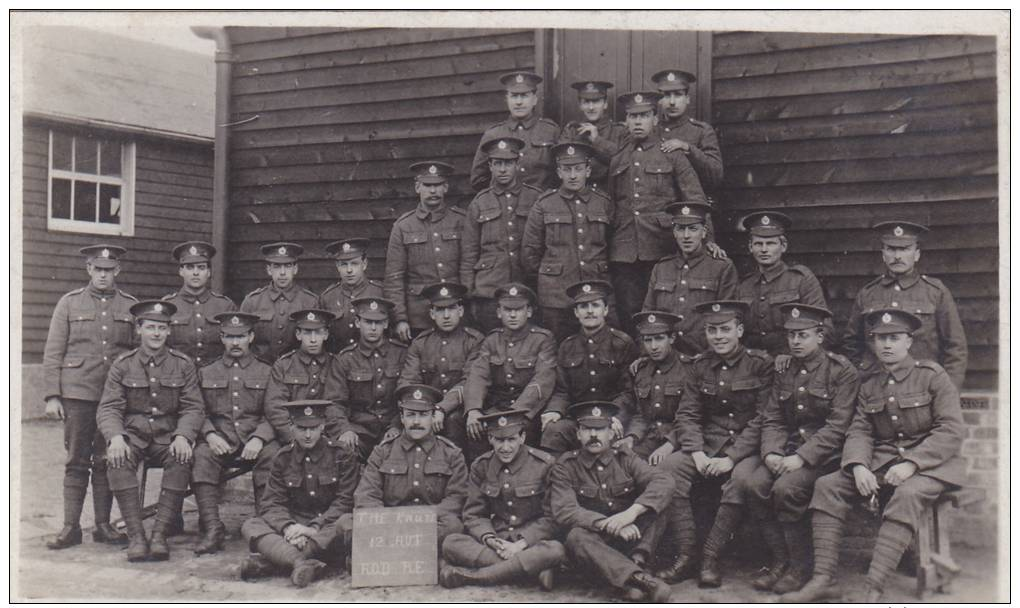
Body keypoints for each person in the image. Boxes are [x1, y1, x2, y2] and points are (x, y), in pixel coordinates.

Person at [783, 309, 965, 603]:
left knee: (907, 494)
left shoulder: (931, 375)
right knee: (827, 486)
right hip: (882, 462)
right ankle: (823, 580)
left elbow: (951, 430)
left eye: (894, 338)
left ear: (908, 341)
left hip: (932, 466)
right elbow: (860, 430)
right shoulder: (868, 383)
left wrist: (911, 463)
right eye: (880, 339)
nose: (887, 345)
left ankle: (873, 588)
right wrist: (857, 465)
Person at [736, 304, 857, 594]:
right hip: (787, 450)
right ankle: (781, 561)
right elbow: (774, 416)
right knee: (754, 484)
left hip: (825, 456)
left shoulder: (841, 371)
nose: (796, 342)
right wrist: (772, 453)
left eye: (803, 335)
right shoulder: (785, 368)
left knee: (786, 489)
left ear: (820, 335)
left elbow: (838, 426)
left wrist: (801, 458)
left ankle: (800, 566)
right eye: (791, 336)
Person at [657, 301, 773, 587]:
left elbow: (763, 418)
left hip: (747, 447)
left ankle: (710, 557)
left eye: (725, 329)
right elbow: (688, 413)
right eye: (712, 330)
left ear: (740, 330)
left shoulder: (760, 364)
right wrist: (696, 452)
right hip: (707, 445)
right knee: (670, 469)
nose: (719, 336)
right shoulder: (699, 365)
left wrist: (731, 457)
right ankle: (686, 555)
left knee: (741, 479)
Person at [42, 244, 136, 550]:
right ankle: (70, 527)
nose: (103, 276)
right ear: (89, 270)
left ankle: (103, 525)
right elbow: (54, 352)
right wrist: (52, 395)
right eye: (98, 270)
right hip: (78, 393)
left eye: (109, 271)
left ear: (117, 271)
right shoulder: (69, 303)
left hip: (113, 398)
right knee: (77, 459)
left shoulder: (130, 306)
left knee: (107, 459)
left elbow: (134, 355)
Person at [96, 300, 205, 562]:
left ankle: (159, 535)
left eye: (162, 328)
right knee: (117, 459)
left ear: (169, 331)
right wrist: (116, 437)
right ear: (139, 330)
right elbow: (108, 407)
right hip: (133, 436)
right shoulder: (123, 364)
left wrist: (183, 435)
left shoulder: (183, 364)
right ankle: (136, 535)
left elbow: (193, 407)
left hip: (167, 437)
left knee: (182, 458)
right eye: (151, 327)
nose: (156, 333)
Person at [607, 90, 712, 335]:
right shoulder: (618, 159)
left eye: (644, 116)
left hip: (662, 248)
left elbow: (695, 199)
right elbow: (612, 205)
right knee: (629, 315)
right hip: (624, 252)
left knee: (665, 315)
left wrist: (707, 241)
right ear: (626, 121)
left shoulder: (671, 154)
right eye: (632, 117)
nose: (637, 122)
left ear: (655, 119)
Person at [549, 401, 675, 603]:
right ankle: (641, 579)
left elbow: (663, 481)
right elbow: (565, 510)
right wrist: (609, 526)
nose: (593, 435)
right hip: (597, 542)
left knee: (661, 502)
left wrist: (630, 514)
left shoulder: (625, 457)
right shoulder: (566, 465)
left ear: (611, 433)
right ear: (578, 434)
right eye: (587, 429)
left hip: (631, 536)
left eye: (600, 429)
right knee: (575, 536)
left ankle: (636, 567)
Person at [440, 409, 565, 590]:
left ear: (522, 437)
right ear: (490, 438)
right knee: (451, 543)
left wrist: (521, 545)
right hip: (497, 542)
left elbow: (553, 517)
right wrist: (490, 539)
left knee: (555, 550)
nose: (505, 447)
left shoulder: (544, 464)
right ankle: (532, 571)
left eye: (511, 439)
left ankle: (472, 577)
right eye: (499, 440)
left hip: (531, 543)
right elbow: (474, 515)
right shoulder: (481, 466)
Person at [238, 400, 359, 588]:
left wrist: (313, 529)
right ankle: (300, 562)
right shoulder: (282, 457)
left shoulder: (342, 455)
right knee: (251, 525)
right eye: (302, 428)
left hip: (328, 526)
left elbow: (345, 501)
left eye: (313, 428)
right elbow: (271, 503)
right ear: (292, 428)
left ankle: (272, 562)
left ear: (323, 426)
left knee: (348, 523)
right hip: (295, 526)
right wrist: (288, 528)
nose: (308, 435)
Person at [840, 221, 968, 389]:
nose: (897, 256)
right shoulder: (868, 293)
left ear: (917, 254)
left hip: (923, 388)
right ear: (883, 254)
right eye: (891, 249)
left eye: (904, 249)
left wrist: (947, 391)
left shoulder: (935, 292)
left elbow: (955, 347)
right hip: (876, 389)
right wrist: (863, 383)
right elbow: (852, 344)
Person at [191, 311, 279, 555]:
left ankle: (264, 526)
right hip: (221, 438)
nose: (235, 342)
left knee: (273, 455)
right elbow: (196, 409)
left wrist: (260, 438)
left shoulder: (266, 371)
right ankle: (212, 528)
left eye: (241, 336)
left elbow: (274, 412)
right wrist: (210, 435)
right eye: (230, 337)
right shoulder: (207, 372)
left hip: (255, 440)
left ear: (251, 337)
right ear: (221, 338)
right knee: (201, 456)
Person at [340, 384, 469, 548]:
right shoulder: (383, 451)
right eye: (410, 415)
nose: (416, 421)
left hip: (430, 525)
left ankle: (385, 552)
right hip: (388, 524)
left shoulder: (451, 454)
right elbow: (367, 495)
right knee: (345, 523)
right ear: (402, 418)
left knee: (453, 526)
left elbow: (456, 499)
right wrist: (391, 522)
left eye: (423, 415)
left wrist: (421, 519)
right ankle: (415, 552)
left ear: (432, 416)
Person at [522, 141, 616, 341]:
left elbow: (613, 246)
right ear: (558, 172)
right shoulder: (544, 205)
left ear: (588, 170)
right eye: (567, 169)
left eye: (578, 169)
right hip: (557, 295)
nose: (573, 175)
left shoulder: (603, 203)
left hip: (596, 292)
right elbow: (530, 253)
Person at [540, 280, 638, 456]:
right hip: (579, 419)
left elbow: (629, 392)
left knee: (614, 440)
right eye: (584, 306)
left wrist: (616, 416)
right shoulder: (567, 346)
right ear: (576, 312)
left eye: (595, 305)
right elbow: (562, 390)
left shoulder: (622, 343)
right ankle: (556, 480)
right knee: (553, 430)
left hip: (611, 419)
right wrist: (554, 410)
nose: (590, 311)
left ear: (606, 310)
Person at [462, 283, 557, 461]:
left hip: (527, 411)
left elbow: (542, 380)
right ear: (499, 312)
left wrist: (517, 413)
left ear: (529, 312)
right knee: (476, 428)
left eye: (519, 309)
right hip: (498, 407)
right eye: (507, 310)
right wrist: (474, 409)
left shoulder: (543, 339)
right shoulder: (492, 340)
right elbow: (478, 376)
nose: (512, 315)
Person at [460, 136, 543, 332]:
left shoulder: (535, 198)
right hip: (489, 292)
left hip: (526, 288)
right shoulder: (479, 203)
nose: (503, 169)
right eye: (498, 163)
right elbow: (469, 254)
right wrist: (470, 295)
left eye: (508, 163)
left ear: (517, 163)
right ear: (489, 165)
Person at [384, 161, 466, 341]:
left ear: (445, 187)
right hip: (419, 316)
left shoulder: (461, 221)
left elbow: (468, 266)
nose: (433, 191)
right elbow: (394, 278)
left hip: (454, 313)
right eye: (427, 185)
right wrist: (400, 319)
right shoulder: (403, 226)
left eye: (437, 185)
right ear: (417, 187)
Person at [643, 202, 738, 356]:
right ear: (674, 232)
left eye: (693, 229)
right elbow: (648, 316)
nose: (686, 236)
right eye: (681, 229)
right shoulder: (661, 268)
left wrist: (710, 355)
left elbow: (728, 317)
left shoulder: (721, 267)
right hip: (668, 358)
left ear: (704, 232)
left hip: (706, 357)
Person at [399, 282, 484, 449]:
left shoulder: (474, 341)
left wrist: (442, 408)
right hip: (425, 408)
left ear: (460, 311)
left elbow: (470, 381)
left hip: (460, 407)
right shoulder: (420, 343)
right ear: (432, 313)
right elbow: (408, 381)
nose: (446, 315)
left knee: (454, 421)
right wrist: (424, 411)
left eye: (451, 309)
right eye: (440, 310)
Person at [735, 211, 831, 356]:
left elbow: (824, 328)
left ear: (783, 245)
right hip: (753, 366)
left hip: (793, 364)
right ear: (750, 247)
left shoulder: (801, 279)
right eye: (758, 244)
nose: (764, 249)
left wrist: (793, 356)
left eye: (771, 243)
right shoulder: (744, 285)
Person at [330, 297, 407, 460]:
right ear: (358, 323)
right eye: (368, 322)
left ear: (386, 324)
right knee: (343, 451)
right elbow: (335, 402)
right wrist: (345, 429)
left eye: (378, 322)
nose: (373, 327)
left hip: (392, 427)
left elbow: (407, 396)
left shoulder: (401, 354)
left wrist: (397, 426)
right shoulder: (345, 359)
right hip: (359, 430)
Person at [263, 309, 349, 448]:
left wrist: (336, 432)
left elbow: (336, 404)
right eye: (307, 333)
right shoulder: (284, 365)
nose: (313, 339)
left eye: (318, 332)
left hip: (327, 434)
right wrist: (295, 437)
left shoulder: (335, 363)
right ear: (298, 335)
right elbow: (275, 407)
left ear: (326, 334)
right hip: (292, 436)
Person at [616, 311, 692, 461]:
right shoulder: (641, 370)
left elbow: (693, 417)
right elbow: (641, 414)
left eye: (659, 339)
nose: (653, 346)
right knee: (620, 460)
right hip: (650, 438)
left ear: (672, 338)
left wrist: (671, 443)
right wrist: (632, 437)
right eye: (648, 340)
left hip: (680, 440)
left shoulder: (689, 369)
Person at [470, 71, 559, 192]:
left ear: (534, 99)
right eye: (514, 96)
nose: (519, 102)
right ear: (507, 99)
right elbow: (478, 180)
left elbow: (561, 175)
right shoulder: (493, 134)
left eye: (524, 95)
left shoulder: (550, 131)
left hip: (541, 206)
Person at [240, 242, 320, 363]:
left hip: (296, 371)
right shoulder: (252, 301)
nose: (282, 273)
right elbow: (241, 343)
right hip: (261, 372)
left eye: (287, 266)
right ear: (269, 269)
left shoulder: (310, 302)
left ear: (295, 269)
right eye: (277, 266)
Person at [162, 241, 235, 367]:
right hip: (178, 378)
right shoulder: (168, 306)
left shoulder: (225, 306)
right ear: (181, 271)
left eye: (201, 267)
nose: (196, 273)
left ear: (209, 272)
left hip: (215, 379)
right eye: (190, 267)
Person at [650, 69, 723, 193]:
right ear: (660, 100)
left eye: (678, 95)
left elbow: (716, 175)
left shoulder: (701, 131)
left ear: (687, 99)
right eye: (667, 95)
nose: (672, 102)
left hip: (690, 207)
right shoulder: (651, 131)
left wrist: (688, 148)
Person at [558, 80, 629, 192]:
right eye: (586, 102)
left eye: (596, 101)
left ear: (605, 104)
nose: (591, 107)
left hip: (608, 196)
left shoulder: (619, 131)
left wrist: (597, 140)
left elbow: (622, 163)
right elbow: (562, 165)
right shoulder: (571, 131)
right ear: (580, 105)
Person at [319, 237, 384, 353]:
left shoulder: (380, 293)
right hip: (339, 363)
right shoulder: (328, 298)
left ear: (364, 264)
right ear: (337, 266)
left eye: (354, 264)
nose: (349, 270)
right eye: (344, 264)